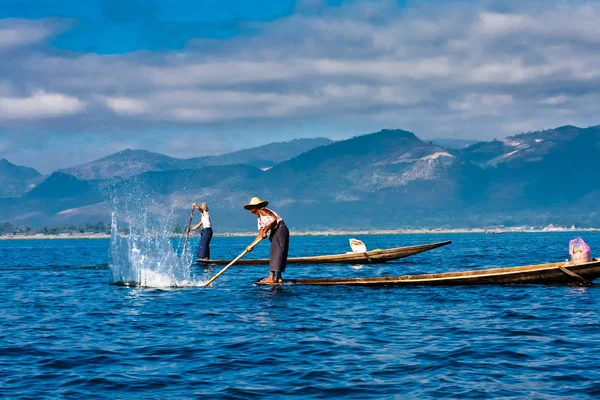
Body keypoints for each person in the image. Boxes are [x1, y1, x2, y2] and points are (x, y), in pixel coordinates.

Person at [244, 197, 289, 284]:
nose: (250, 211)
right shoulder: (259, 218)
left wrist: (265, 230)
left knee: (277, 252)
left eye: (251, 208)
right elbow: (261, 234)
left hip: (280, 229)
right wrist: (251, 245)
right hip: (277, 231)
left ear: (256, 207)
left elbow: (274, 220)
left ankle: (272, 277)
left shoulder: (263, 210)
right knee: (277, 251)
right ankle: (279, 277)